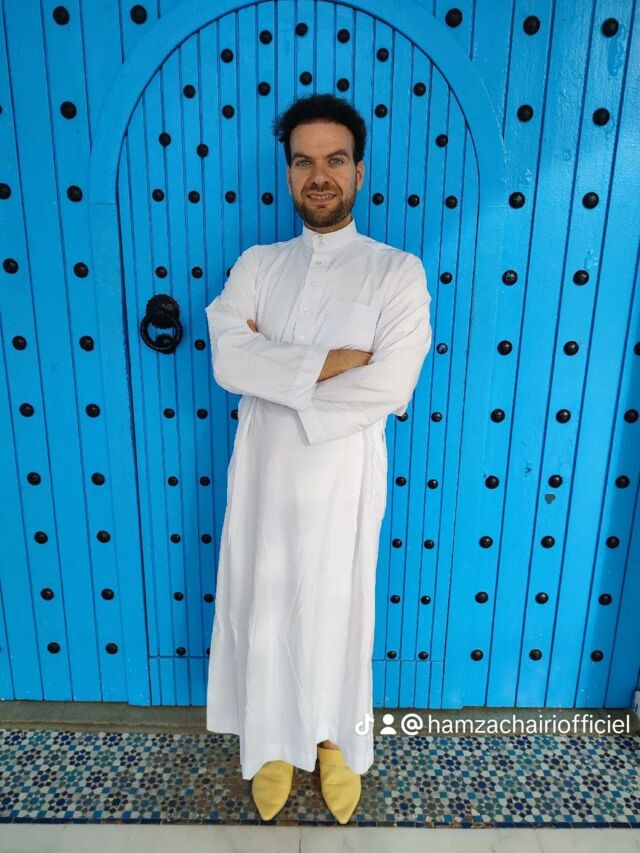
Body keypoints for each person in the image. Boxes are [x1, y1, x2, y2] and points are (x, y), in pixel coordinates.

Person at [204, 93, 432, 824]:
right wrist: (335, 359)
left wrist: (280, 377)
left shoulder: (395, 272)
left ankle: (335, 742)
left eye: (335, 159)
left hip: (342, 479)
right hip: (265, 476)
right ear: (289, 173)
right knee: (266, 604)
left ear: (360, 171)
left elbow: (392, 383)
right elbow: (227, 358)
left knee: (338, 607)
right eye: (304, 161)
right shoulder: (259, 265)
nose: (319, 175)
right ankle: (273, 743)